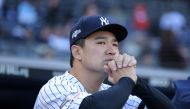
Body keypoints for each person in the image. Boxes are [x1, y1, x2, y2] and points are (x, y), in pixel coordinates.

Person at [34, 15, 176, 109]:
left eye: (115, 44)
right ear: (77, 52)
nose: (112, 51)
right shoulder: (55, 88)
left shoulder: (113, 93)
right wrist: (126, 81)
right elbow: (93, 107)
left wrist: (136, 82)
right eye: (101, 43)